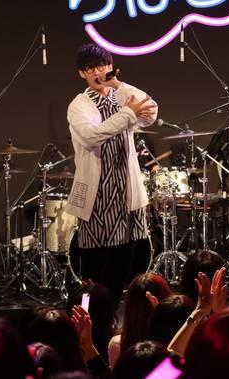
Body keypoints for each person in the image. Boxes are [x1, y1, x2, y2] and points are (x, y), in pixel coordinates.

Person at [65, 43, 158, 303]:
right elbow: (92, 136)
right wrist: (128, 113)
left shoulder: (120, 96)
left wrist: (118, 85)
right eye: (91, 68)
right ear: (82, 73)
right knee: (94, 272)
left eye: (102, 66)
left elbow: (151, 112)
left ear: (110, 67)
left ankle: (112, 316)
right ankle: (87, 318)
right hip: (98, 197)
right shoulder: (79, 105)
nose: (98, 72)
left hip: (126, 193)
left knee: (123, 267)